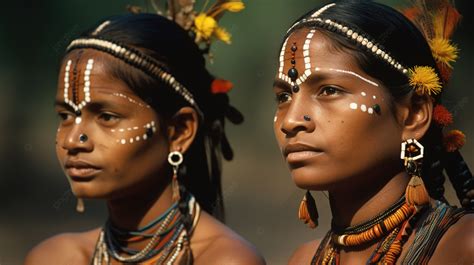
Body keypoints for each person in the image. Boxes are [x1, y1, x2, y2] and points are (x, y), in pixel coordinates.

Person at [24, 1, 265, 264]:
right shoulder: (54, 258)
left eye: (106, 117)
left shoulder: (224, 260)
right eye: (65, 116)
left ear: (179, 132)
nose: (72, 140)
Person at [272, 0, 473, 264]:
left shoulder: (463, 248)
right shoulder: (303, 260)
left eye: (329, 90)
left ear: (413, 114)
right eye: (284, 96)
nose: (292, 120)